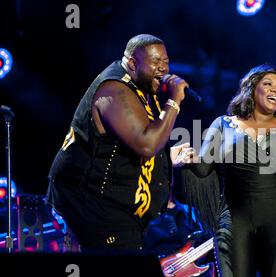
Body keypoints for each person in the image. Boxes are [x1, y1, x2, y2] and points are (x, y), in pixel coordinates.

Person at [46, 34, 194, 251]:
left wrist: (167, 158)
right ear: (133, 63)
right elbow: (146, 145)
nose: (163, 69)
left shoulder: (142, 86)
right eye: (156, 62)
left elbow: (133, 146)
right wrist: (173, 101)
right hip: (94, 203)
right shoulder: (115, 91)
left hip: (118, 207)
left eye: (166, 62)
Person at [183, 64, 276, 277]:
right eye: (268, 84)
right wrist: (184, 158)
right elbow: (203, 168)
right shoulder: (223, 124)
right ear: (251, 89)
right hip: (235, 219)